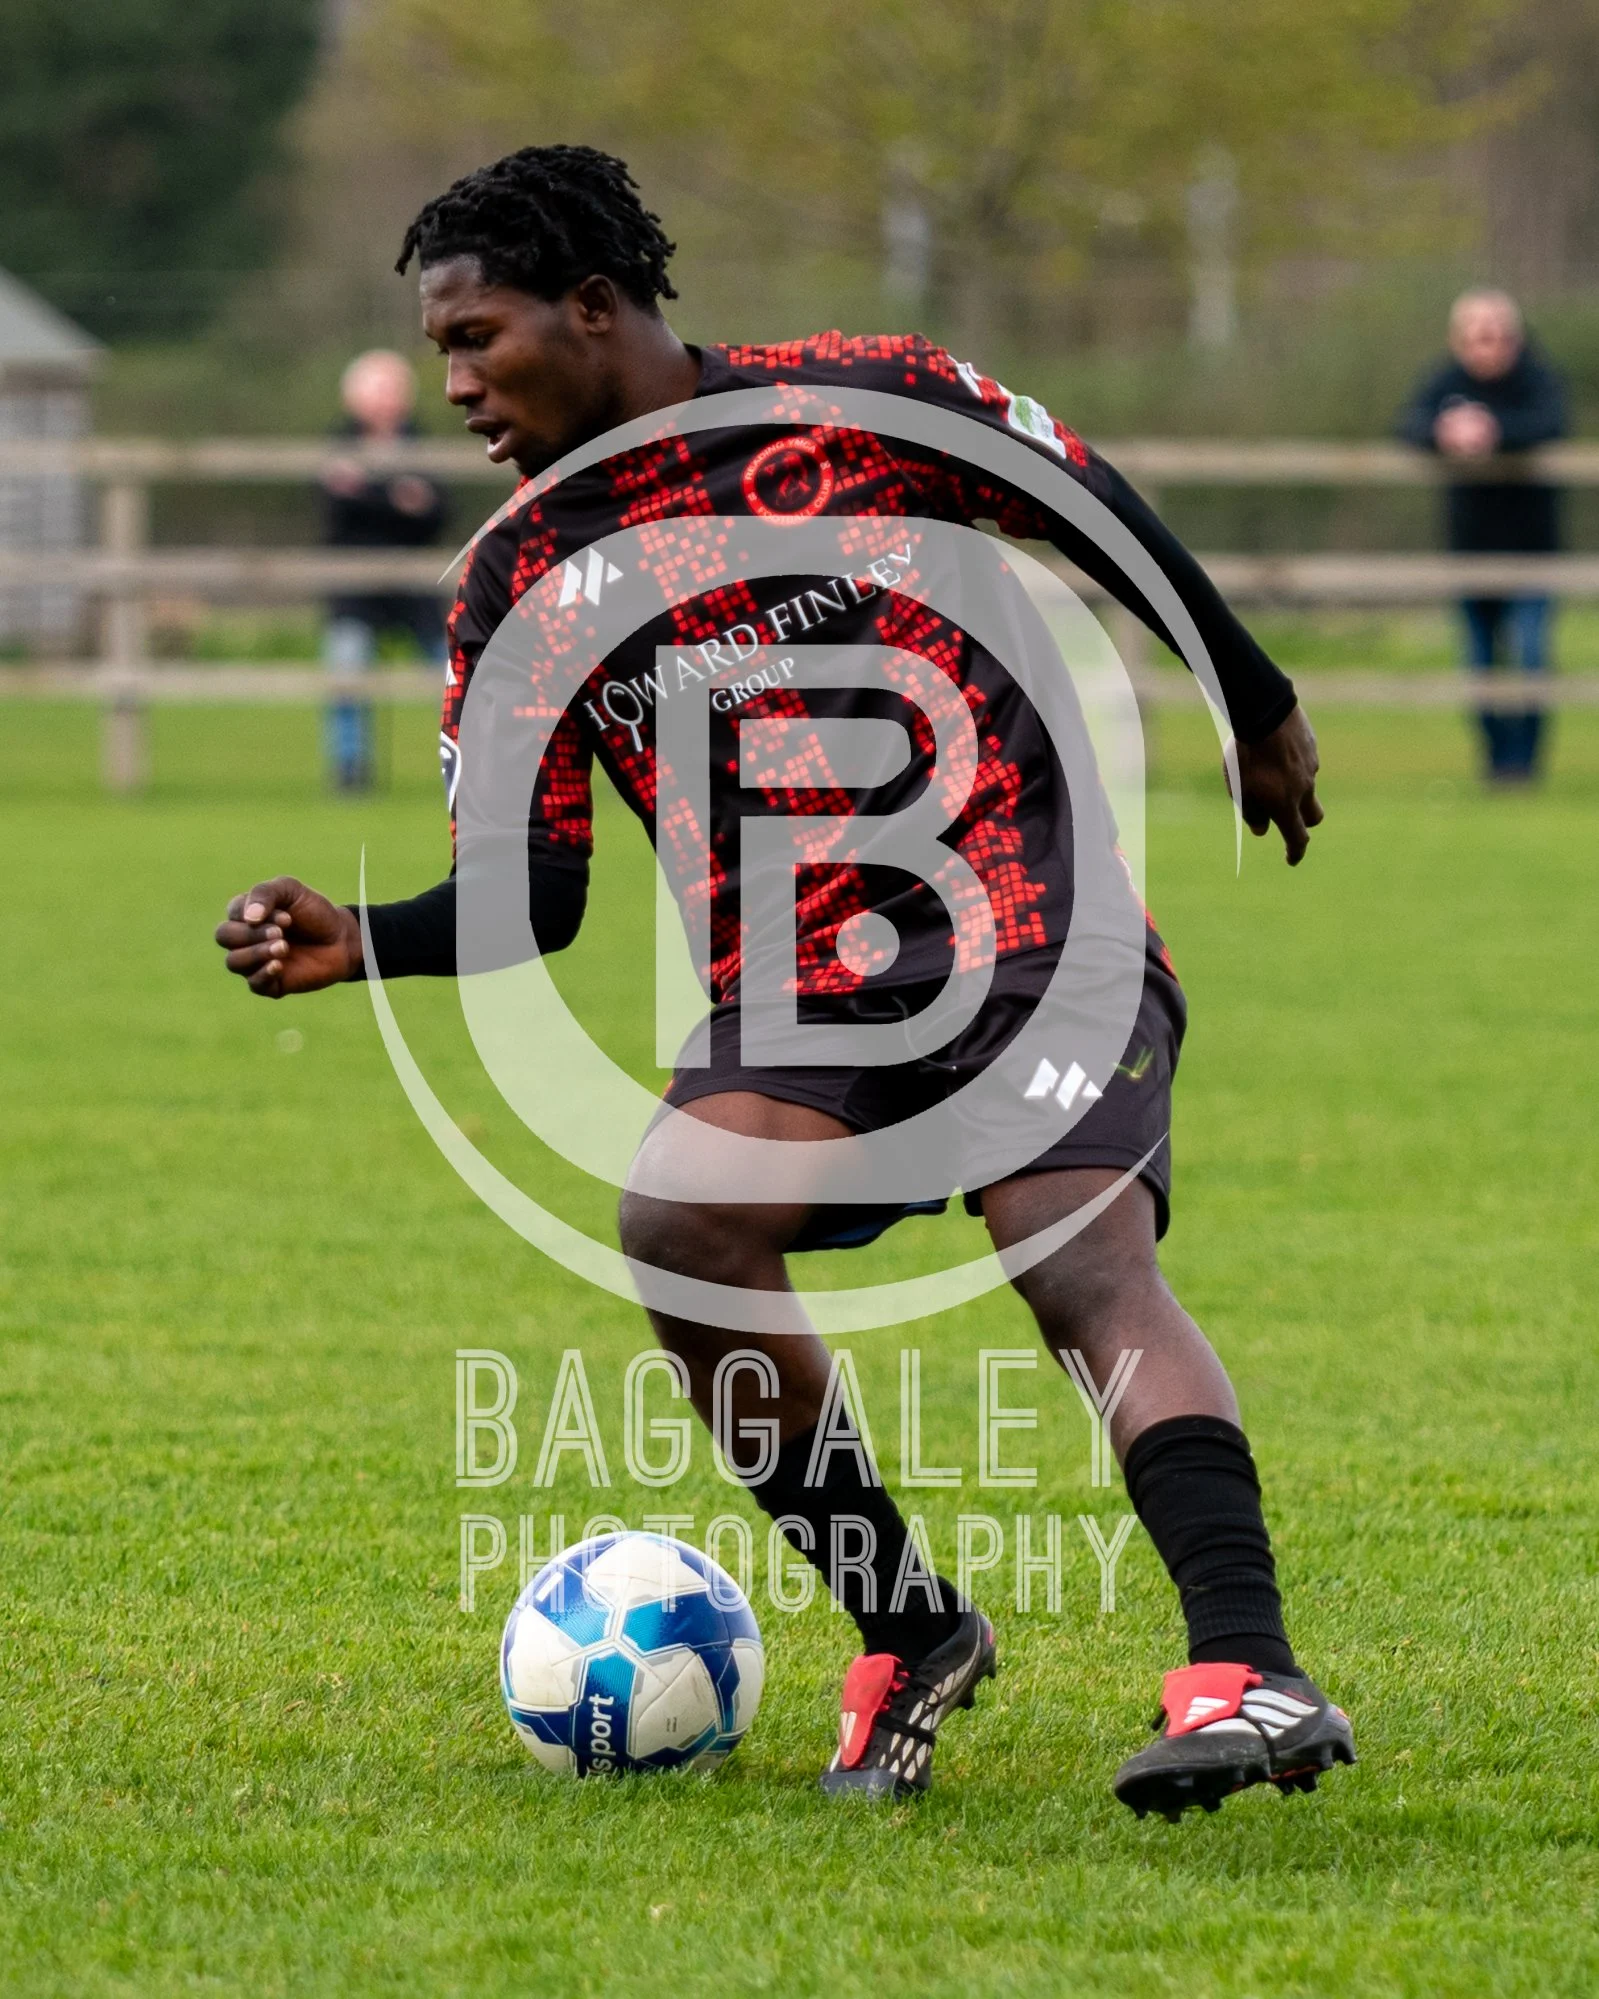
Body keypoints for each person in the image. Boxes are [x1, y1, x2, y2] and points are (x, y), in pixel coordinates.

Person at [215, 145, 1353, 1818]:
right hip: (798, 996)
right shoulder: (516, 582)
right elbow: (535, 896)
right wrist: (365, 936)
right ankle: (911, 1627)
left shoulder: (863, 400)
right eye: (440, 349)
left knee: (1073, 1256)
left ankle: (1245, 1667)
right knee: (679, 1218)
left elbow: (1089, 500)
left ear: (589, 307)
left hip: (1030, 924)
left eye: (475, 338)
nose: (452, 383)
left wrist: (1249, 701)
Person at [1398, 290, 1568, 785]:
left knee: (1531, 658)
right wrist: (1444, 433)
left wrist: (1492, 431)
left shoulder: (1538, 378)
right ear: (1459, 340)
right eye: (1476, 336)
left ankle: (1525, 766)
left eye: (1496, 335)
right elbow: (1406, 424)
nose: (1487, 346)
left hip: (1531, 551)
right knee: (1479, 664)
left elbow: (1551, 423)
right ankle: (1496, 763)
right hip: (1469, 550)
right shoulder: (1444, 381)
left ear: (1514, 337)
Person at [321, 349, 450, 790]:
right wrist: (397, 499)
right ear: (354, 398)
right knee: (347, 670)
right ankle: (350, 774)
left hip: (415, 588)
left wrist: (367, 491)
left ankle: (473, 760)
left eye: (394, 390)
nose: (387, 400)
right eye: (378, 391)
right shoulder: (337, 443)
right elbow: (335, 509)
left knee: (452, 674)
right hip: (354, 589)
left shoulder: (421, 444)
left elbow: (438, 513)